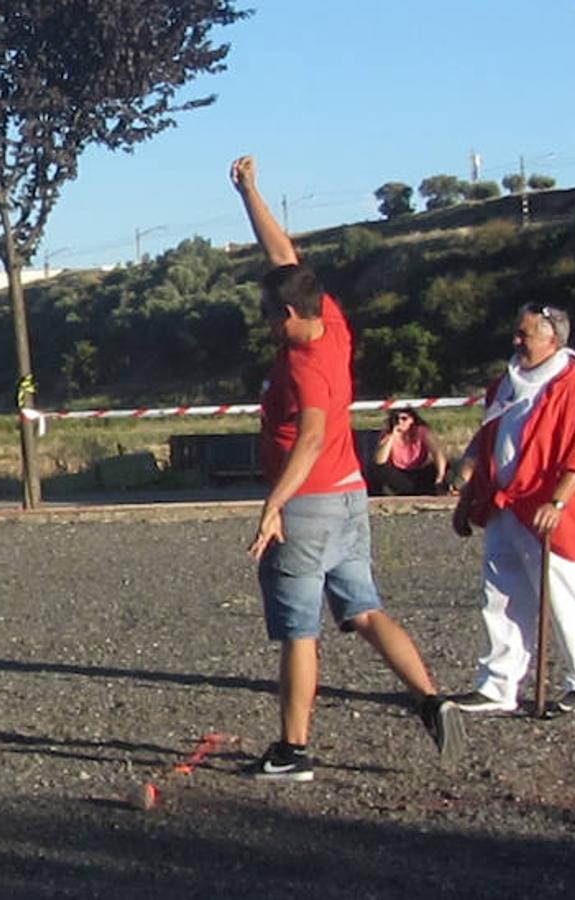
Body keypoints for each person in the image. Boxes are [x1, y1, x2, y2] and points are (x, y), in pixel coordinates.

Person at [230, 154, 464, 781]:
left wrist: (273, 506)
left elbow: (308, 440)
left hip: (307, 506)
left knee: (298, 632)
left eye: (269, 313)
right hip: (352, 496)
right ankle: (430, 697)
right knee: (363, 610)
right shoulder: (328, 317)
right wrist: (250, 191)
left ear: (286, 317)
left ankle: (293, 751)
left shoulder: (304, 365)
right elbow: (284, 257)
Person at [450, 304, 575, 716]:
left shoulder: (569, 388)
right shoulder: (506, 383)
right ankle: (498, 684)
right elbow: (488, 439)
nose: (517, 341)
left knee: (564, 595)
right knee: (500, 596)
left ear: (551, 339)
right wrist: (469, 493)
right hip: (504, 504)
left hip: (545, 509)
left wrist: (558, 501)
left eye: (525, 335)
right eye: (517, 333)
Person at [370, 409, 449, 495]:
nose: (400, 421)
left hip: (419, 471)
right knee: (379, 469)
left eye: (404, 418)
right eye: (396, 419)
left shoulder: (421, 431)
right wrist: (392, 435)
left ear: (412, 419)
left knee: (445, 465)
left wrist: (440, 476)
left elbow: (437, 452)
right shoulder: (388, 434)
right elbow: (380, 461)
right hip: (399, 473)